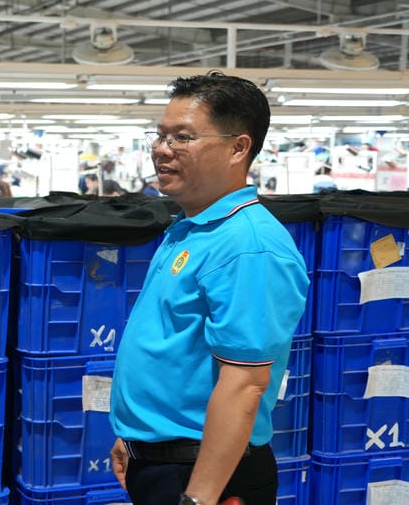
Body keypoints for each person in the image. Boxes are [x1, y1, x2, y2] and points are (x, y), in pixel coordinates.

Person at [108, 71, 309, 505]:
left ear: (238, 147)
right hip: (165, 462)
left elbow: (244, 384)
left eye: (182, 137)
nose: (162, 150)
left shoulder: (249, 246)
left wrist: (198, 498)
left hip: (209, 478)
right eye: (159, 136)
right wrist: (136, 438)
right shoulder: (191, 228)